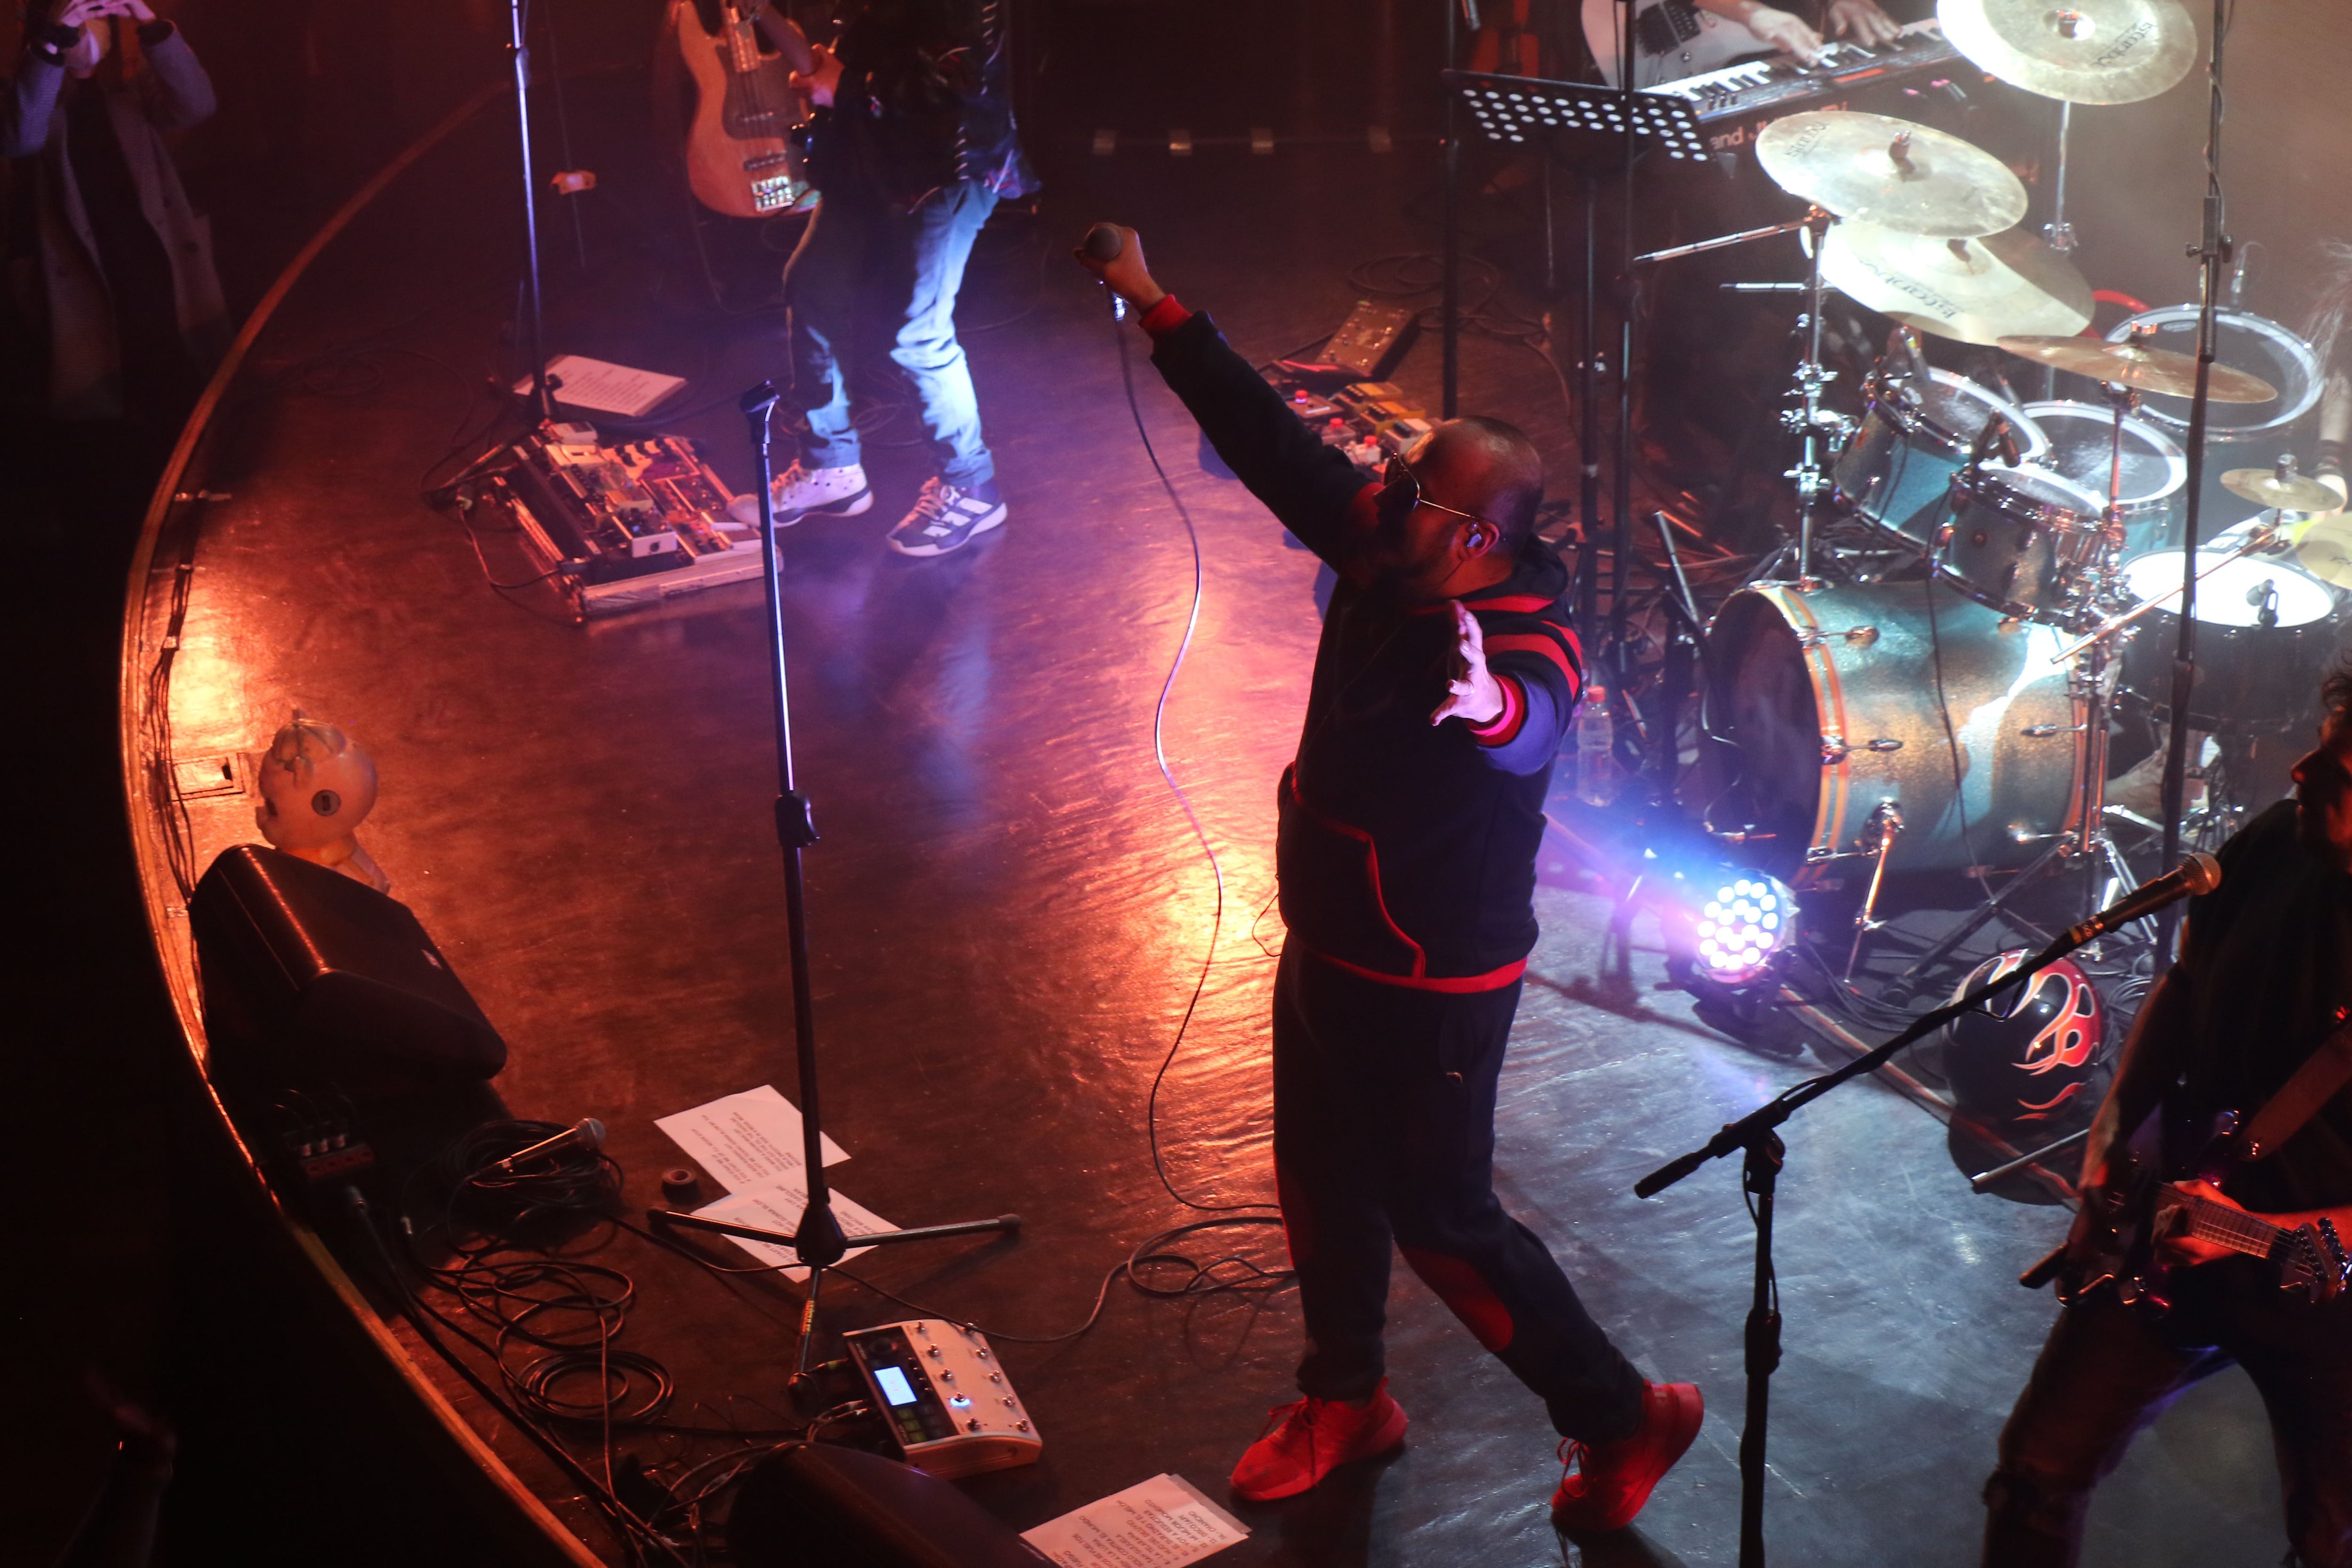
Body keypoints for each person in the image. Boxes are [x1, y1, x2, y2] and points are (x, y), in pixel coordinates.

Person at [1075, 227, 1704, 1525]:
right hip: (1328, 935)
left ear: (1475, 533)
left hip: (1434, 976)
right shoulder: (1384, 543)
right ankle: (1347, 1395)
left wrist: (1480, 708)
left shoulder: (1528, 638)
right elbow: (1272, 440)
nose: (1379, 480)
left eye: (1410, 482)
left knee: (1447, 1222)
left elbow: (1530, 719)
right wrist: (1155, 299)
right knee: (1318, 1171)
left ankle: (1624, 1412)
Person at [1981, 664, 2352, 1568]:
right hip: (2166, 1235)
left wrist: (2263, 1231)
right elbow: (2182, 990)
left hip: (2326, 1293)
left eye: (2340, 768)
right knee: (2033, 1472)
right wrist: (2111, 1135)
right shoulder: (2275, 845)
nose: (2302, 771)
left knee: (2329, 1535)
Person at [728, 0, 1036, 559]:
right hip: (869, 155)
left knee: (917, 335)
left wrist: (848, 85)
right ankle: (830, 467)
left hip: (948, 166)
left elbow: (959, 79)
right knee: (812, 286)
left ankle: (972, 486)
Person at [3, 0, 225, 427]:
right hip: (82, 260)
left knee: (173, 366)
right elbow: (23, 137)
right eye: (76, 21)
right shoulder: (26, 91)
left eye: (95, 19)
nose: (88, 32)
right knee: (106, 377)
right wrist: (52, 45)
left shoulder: (127, 90)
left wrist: (149, 24)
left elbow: (197, 105)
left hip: (148, 252)